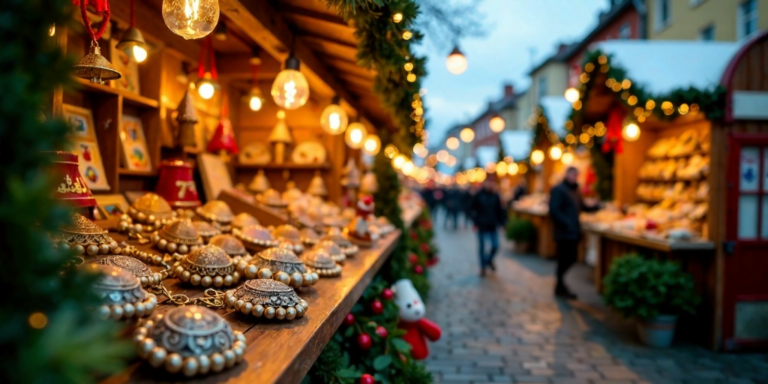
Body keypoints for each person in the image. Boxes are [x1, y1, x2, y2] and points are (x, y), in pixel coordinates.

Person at [548, 166, 599, 299]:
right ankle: (560, 285)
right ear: (567, 175)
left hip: (573, 231)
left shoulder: (576, 191)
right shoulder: (559, 190)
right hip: (563, 232)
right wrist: (567, 223)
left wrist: (596, 206)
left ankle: (560, 284)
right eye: (572, 175)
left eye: (576, 176)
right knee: (565, 258)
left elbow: (582, 207)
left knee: (572, 258)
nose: (574, 178)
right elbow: (554, 210)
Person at [469, 178, 506, 277]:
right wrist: (475, 222)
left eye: (491, 182)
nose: (490, 184)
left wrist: (502, 224)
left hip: (492, 225)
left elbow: (500, 211)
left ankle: (488, 260)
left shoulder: (495, 195)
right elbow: (471, 209)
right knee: (482, 247)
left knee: (495, 246)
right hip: (481, 225)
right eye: (488, 182)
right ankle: (483, 267)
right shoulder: (478, 195)